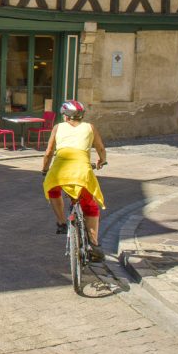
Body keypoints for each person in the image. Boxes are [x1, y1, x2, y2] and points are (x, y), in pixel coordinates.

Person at [41, 100, 108, 261]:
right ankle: (93, 243)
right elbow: (100, 148)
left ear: (65, 116)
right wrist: (102, 160)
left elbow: (49, 152)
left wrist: (44, 169)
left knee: (53, 190)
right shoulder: (90, 127)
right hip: (82, 172)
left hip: (59, 171)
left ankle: (62, 222)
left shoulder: (58, 128)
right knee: (90, 207)